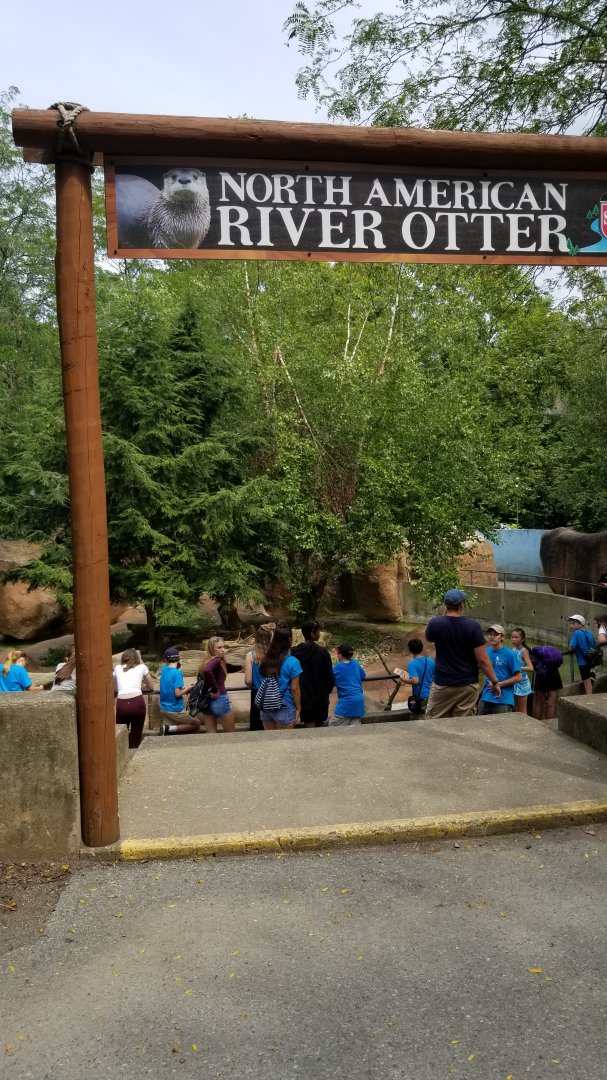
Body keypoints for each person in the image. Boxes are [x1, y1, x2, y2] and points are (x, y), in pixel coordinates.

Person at [424, 589, 500, 718]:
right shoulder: (472, 626)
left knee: (434, 723)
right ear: (462, 605)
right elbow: (482, 660)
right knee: (463, 724)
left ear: (445, 605)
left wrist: (444, 615)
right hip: (467, 685)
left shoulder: (435, 623)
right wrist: (495, 682)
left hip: (442, 684)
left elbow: (428, 638)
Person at [257, 623, 302, 731]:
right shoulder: (293, 662)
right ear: (290, 640)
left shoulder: (267, 659)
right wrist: (298, 708)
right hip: (284, 706)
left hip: (266, 705)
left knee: (270, 739)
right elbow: (294, 688)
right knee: (285, 740)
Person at [291, 619, 334, 727]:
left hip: (304, 696)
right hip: (321, 696)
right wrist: (326, 691)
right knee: (320, 723)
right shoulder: (322, 652)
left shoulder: (295, 652)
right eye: (318, 631)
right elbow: (329, 676)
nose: (319, 633)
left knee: (308, 724)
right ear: (312, 633)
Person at [113, 647, 155, 748]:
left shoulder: (117, 668)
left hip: (122, 704)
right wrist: (140, 687)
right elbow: (150, 686)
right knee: (136, 733)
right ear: (137, 658)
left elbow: (115, 688)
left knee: (121, 733)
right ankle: (134, 749)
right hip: (137, 702)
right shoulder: (142, 667)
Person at [477, 624, 521, 715]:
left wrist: (500, 684)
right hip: (486, 696)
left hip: (503, 699)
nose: (492, 637)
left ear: (502, 637)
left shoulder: (510, 654)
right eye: (490, 634)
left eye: (496, 634)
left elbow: (518, 677)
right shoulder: (486, 651)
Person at [158, 647, 200, 735]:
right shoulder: (177, 673)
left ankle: (168, 729)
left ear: (165, 660)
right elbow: (177, 694)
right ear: (179, 659)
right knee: (197, 724)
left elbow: (170, 685)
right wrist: (188, 688)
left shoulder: (164, 670)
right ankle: (170, 729)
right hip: (175, 709)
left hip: (164, 708)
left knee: (168, 735)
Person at [198, 636, 236, 733]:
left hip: (207, 700)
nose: (223, 650)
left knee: (211, 734)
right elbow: (207, 671)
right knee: (231, 734)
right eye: (219, 647)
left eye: (223, 647)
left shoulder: (206, 661)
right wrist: (215, 689)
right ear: (212, 648)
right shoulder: (217, 659)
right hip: (219, 698)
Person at [244, 624, 274, 731]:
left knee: (257, 726)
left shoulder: (250, 655)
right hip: (273, 693)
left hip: (257, 694)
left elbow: (248, 680)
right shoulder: (274, 655)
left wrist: (251, 686)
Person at [329, 643, 366, 726]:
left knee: (332, 727)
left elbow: (330, 680)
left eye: (337, 654)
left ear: (340, 655)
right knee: (354, 730)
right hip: (359, 701)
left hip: (347, 703)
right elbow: (363, 675)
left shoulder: (337, 668)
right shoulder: (355, 663)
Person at [398, 638, 435, 713]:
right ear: (422, 648)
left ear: (410, 650)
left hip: (421, 696)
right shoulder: (430, 660)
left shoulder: (412, 664)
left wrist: (403, 679)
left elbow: (415, 681)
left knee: (417, 716)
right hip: (432, 694)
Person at [530, 644, 563, 721]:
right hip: (554, 675)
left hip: (542, 675)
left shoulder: (535, 652)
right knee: (551, 704)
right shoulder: (553, 652)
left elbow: (534, 665)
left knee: (538, 703)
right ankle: (549, 724)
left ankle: (536, 723)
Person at [564, 614, 594, 695]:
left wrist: (572, 647)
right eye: (571, 623)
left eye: (573, 623)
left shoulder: (577, 633)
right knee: (588, 679)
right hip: (590, 659)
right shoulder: (588, 632)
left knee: (587, 682)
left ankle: (590, 698)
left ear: (580, 624)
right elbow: (593, 645)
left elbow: (571, 648)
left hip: (582, 661)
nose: (571, 625)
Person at [510, 627, 534, 714]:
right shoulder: (512, 650)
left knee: (522, 710)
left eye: (516, 637)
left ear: (522, 639)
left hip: (522, 683)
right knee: (515, 708)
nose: (513, 639)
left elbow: (531, 668)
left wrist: (518, 668)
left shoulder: (524, 651)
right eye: (512, 637)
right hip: (514, 682)